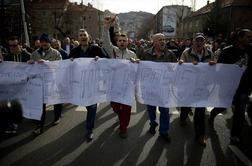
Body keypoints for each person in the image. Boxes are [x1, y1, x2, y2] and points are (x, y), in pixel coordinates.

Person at [69, 29, 108, 141]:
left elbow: (107, 60)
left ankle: (89, 130)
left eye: (84, 35)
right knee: (86, 104)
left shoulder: (96, 49)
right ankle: (89, 122)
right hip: (80, 84)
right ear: (78, 38)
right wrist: (70, 61)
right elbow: (67, 65)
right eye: (80, 35)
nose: (83, 37)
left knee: (92, 106)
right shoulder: (74, 51)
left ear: (88, 37)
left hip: (93, 83)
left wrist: (100, 59)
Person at [102, 16, 137, 138]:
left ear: (128, 42)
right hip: (114, 85)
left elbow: (137, 70)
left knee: (126, 108)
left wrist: (135, 63)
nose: (122, 42)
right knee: (115, 106)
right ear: (117, 43)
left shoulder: (133, 54)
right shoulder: (113, 51)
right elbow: (106, 42)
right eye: (120, 40)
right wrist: (106, 27)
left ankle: (123, 128)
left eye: (124, 40)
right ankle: (119, 114)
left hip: (127, 86)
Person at [179, 32, 215, 147]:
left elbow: (214, 69)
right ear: (193, 41)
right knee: (186, 105)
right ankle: (183, 116)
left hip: (202, 87)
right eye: (197, 40)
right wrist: (184, 64)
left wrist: (213, 64)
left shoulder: (210, 53)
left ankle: (200, 135)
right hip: (189, 85)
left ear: (204, 42)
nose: (199, 42)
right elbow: (181, 66)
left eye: (201, 40)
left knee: (200, 111)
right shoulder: (186, 52)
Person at [141, 33, 177, 142]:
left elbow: (175, 69)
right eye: (159, 39)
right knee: (151, 109)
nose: (163, 41)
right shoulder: (146, 53)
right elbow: (140, 68)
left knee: (165, 110)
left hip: (164, 88)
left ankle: (164, 131)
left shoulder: (170, 54)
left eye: (164, 39)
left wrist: (179, 65)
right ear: (154, 42)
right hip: (150, 87)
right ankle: (153, 123)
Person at [29, 33, 62, 135]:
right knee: (40, 104)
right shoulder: (34, 54)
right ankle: (39, 126)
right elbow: (31, 69)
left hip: (52, 82)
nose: (44, 44)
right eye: (42, 42)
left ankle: (57, 117)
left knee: (56, 101)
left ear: (49, 42)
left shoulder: (56, 53)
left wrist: (47, 63)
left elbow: (60, 66)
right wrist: (30, 64)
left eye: (46, 42)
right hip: (40, 83)